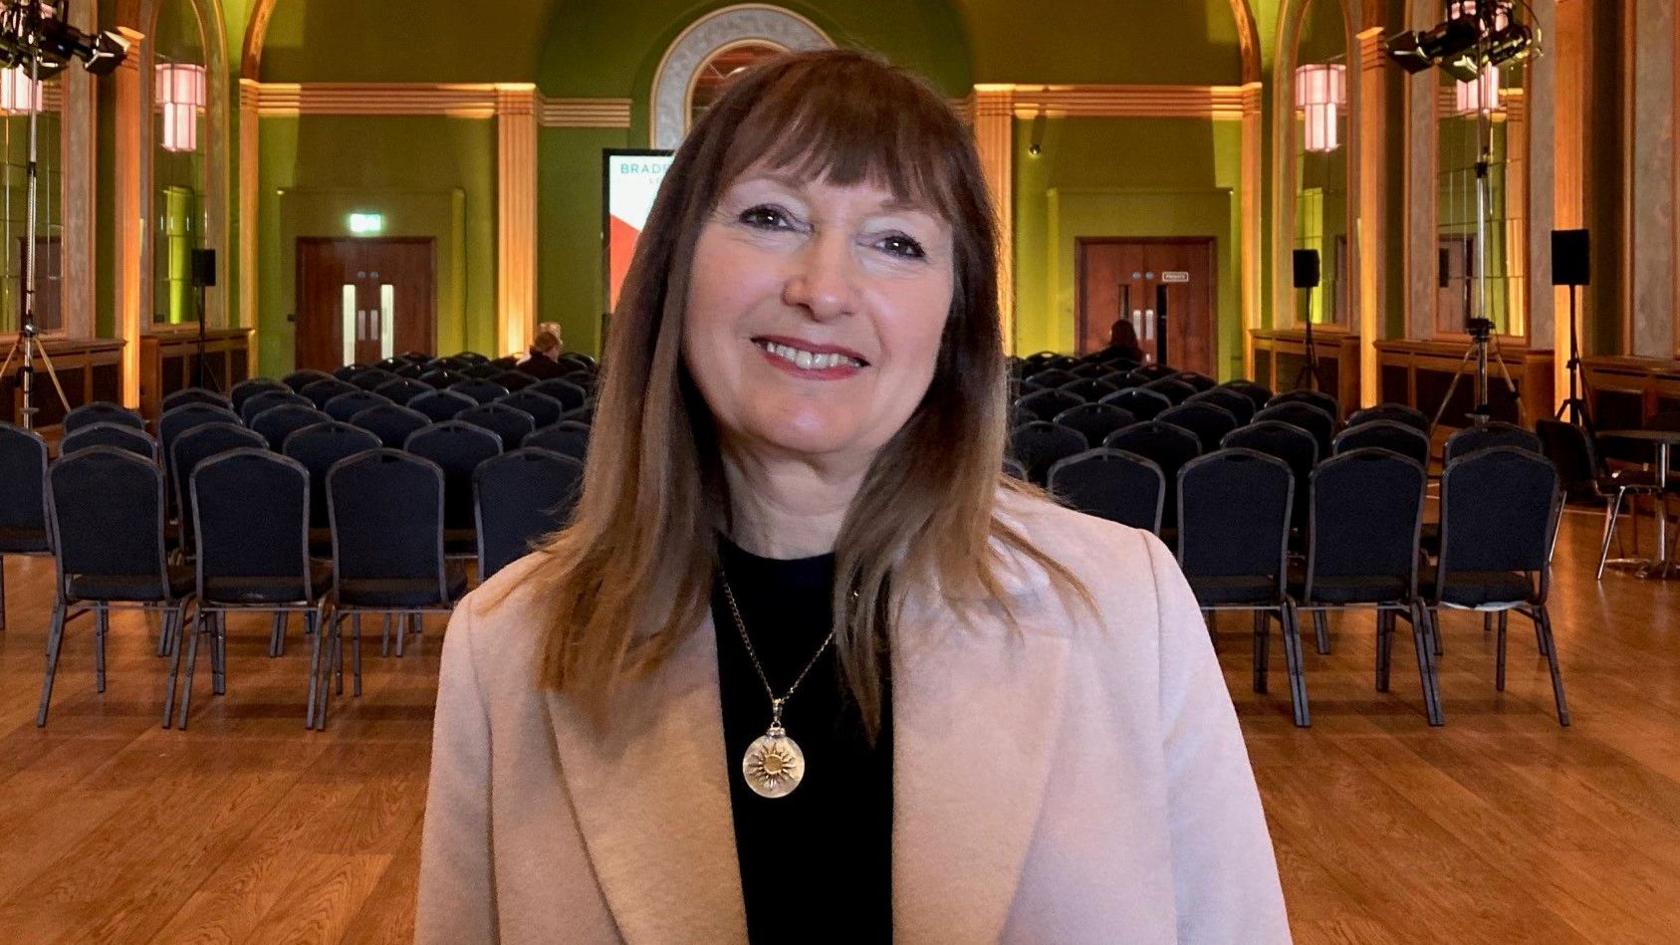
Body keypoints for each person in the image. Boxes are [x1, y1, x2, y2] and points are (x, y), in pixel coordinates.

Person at [416, 49, 1290, 945]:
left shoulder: (1126, 607)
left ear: (957, 322)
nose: (823, 289)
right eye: (769, 216)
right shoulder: (506, 647)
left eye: (897, 241)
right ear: (673, 273)